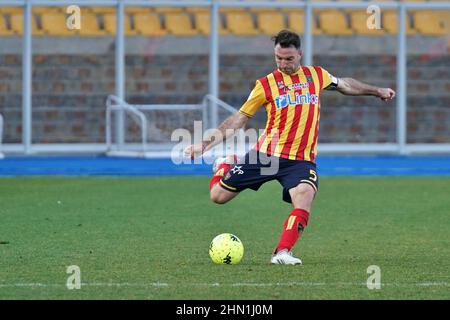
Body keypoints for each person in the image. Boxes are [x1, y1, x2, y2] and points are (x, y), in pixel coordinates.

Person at [184, 29, 396, 265]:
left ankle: (282, 252)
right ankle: (226, 163)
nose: (283, 64)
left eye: (289, 59)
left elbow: (346, 85)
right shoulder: (266, 84)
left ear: (300, 54)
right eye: (278, 58)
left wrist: (377, 91)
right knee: (218, 197)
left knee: (304, 195)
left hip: (300, 161)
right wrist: (204, 144)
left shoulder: (317, 76)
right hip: (266, 156)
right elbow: (239, 118)